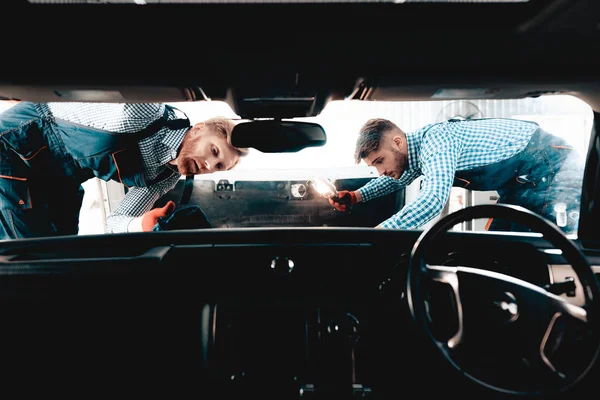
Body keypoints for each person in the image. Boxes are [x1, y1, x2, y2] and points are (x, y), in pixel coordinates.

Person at [0, 101, 248, 239]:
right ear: (198, 129)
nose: (208, 165)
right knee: (34, 253)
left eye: (218, 167)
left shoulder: (164, 178)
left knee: (65, 253)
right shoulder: (143, 112)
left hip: (56, 181)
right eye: (214, 151)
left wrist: (143, 223)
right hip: (16, 146)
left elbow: (115, 223)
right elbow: (60, 104)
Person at [329, 117, 583, 232]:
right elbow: (394, 180)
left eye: (380, 161)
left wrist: (380, 235)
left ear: (397, 142)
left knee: (540, 245)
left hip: (548, 164)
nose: (381, 170)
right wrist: (355, 196)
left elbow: (432, 201)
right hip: (518, 182)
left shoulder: (437, 141)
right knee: (497, 247)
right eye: (374, 166)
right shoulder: (413, 155)